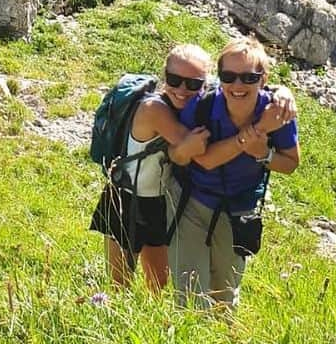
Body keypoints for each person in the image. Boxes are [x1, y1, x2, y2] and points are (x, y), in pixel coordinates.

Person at [91, 43, 298, 292]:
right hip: (127, 197)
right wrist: (259, 127)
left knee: (158, 284)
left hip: (162, 200)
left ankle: (150, 324)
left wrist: (282, 91)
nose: (182, 90)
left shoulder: (197, 101)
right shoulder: (154, 109)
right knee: (119, 285)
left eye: (192, 84)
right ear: (164, 76)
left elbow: (240, 79)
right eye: (174, 80)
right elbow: (197, 152)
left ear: (205, 82)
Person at [168, 35, 300, 307]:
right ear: (219, 77)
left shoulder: (278, 111)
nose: (237, 85)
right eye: (228, 76)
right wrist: (256, 132)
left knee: (225, 295)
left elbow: (291, 163)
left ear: (263, 79)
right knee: (191, 296)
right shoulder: (202, 105)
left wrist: (263, 154)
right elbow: (205, 160)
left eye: (248, 78)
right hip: (191, 203)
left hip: (238, 209)